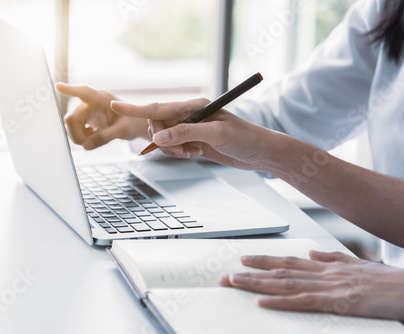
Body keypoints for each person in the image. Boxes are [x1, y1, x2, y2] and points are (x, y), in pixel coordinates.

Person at [56, 0, 404, 321]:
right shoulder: (387, 9)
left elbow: (273, 140)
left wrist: (274, 152)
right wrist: (144, 122)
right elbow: (283, 121)